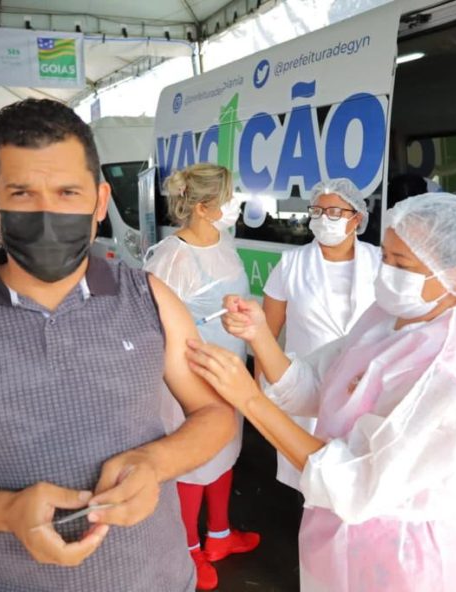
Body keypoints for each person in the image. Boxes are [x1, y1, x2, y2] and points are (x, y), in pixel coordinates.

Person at [0, 98, 236, 592]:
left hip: (161, 579)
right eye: (22, 193)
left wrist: (156, 463)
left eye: (67, 191)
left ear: (99, 202)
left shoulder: (148, 297)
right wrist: (6, 511)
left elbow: (214, 414)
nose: (48, 212)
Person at [187, 193, 456, 592]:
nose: (388, 272)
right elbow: (318, 384)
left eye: (404, 265)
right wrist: (260, 335)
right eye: (386, 257)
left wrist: (250, 400)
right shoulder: (390, 316)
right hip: (336, 540)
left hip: (407, 562)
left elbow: (355, 481)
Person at [144, 163, 259, 591]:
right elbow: (154, 324)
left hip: (228, 371)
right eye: (229, 200)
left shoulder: (223, 241)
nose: (235, 207)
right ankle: (189, 548)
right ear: (206, 206)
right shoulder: (172, 256)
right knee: (194, 461)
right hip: (190, 379)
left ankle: (220, 535)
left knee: (226, 448)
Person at [262, 179, 380, 491]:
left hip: (365, 387)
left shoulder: (379, 261)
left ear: (356, 218)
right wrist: (264, 398)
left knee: (361, 478)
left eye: (333, 211)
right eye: (317, 210)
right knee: (310, 478)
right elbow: (265, 333)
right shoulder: (291, 264)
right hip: (305, 388)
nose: (322, 218)